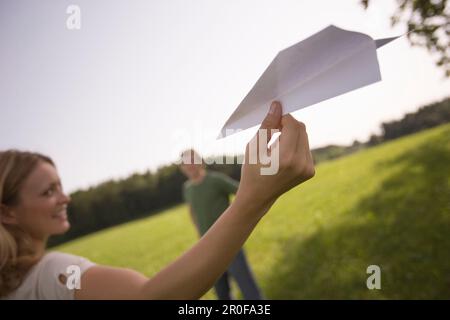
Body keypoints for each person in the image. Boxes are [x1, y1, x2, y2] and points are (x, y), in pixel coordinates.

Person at [0, 101, 315, 299]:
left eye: (60, 186)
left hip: (224, 244)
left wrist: (248, 196)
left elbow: (234, 190)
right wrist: (254, 199)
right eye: (48, 191)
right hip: (210, 240)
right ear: (8, 213)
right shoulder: (52, 274)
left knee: (246, 286)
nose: (65, 197)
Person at [179, 149, 263, 300]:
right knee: (222, 293)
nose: (190, 165)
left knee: (248, 289)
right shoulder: (188, 189)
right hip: (207, 248)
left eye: (193, 160)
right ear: (182, 168)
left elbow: (243, 192)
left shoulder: (216, 180)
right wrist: (200, 234)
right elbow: (193, 212)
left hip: (229, 243)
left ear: (201, 162)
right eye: (186, 162)